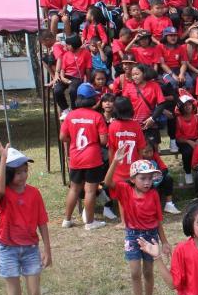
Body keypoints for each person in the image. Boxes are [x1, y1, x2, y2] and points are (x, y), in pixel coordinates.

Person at [0, 137, 54, 295]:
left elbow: (42, 222)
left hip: (30, 248)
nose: (23, 175)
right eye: (18, 172)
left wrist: (48, 249)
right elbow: (0, 190)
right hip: (7, 248)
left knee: (35, 292)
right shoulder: (3, 194)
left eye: (25, 171)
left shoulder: (34, 193)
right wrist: (3, 160)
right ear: (8, 174)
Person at [105, 149, 168, 295]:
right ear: (132, 179)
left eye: (150, 178)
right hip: (132, 235)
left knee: (148, 271)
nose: (147, 182)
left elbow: (158, 220)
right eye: (142, 178)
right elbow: (107, 183)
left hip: (151, 236)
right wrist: (115, 161)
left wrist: (164, 242)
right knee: (135, 273)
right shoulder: (125, 190)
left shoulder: (154, 195)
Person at [59, 83, 108, 231]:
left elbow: (62, 137)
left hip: (76, 157)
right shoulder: (97, 116)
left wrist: (73, 140)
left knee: (74, 189)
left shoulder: (70, 115)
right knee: (90, 190)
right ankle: (90, 222)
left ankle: (67, 220)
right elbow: (104, 140)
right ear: (93, 99)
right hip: (92, 158)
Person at [106, 96, 146, 222]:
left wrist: (111, 166)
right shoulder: (136, 125)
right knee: (135, 194)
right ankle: (136, 218)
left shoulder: (113, 126)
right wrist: (140, 164)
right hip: (134, 167)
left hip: (118, 167)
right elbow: (141, 148)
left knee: (121, 196)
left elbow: (111, 149)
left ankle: (124, 221)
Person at [139, 140, 180, 214]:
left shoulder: (155, 156)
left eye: (151, 151)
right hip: (145, 182)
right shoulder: (139, 160)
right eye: (146, 152)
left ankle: (169, 204)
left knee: (168, 178)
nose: (149, 154)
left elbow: (164, 169)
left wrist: (158, 175)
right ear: (141, 152)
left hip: (157, 179)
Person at [56, 35, 92, 118]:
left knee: (72, 90)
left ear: (74, 44)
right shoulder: (66, 54)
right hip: (65, 76)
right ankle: (65, 110)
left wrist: (88, 81)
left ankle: (74, 109)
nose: (66, 47)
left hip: (77, 77)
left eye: (68, 45)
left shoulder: (86, 53)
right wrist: (62, 78)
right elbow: (62, 69)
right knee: (57, 90)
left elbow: (88, 69)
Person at [175, 94, 198, 185]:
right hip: (184, 141)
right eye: (185, 105)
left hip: (196, 139)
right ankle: (188, 172)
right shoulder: (178, 119)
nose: (188, 107)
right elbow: (178, 137)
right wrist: (188, 141)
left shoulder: (196, 118)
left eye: (189, 104)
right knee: (187, 152)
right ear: (181, 107)